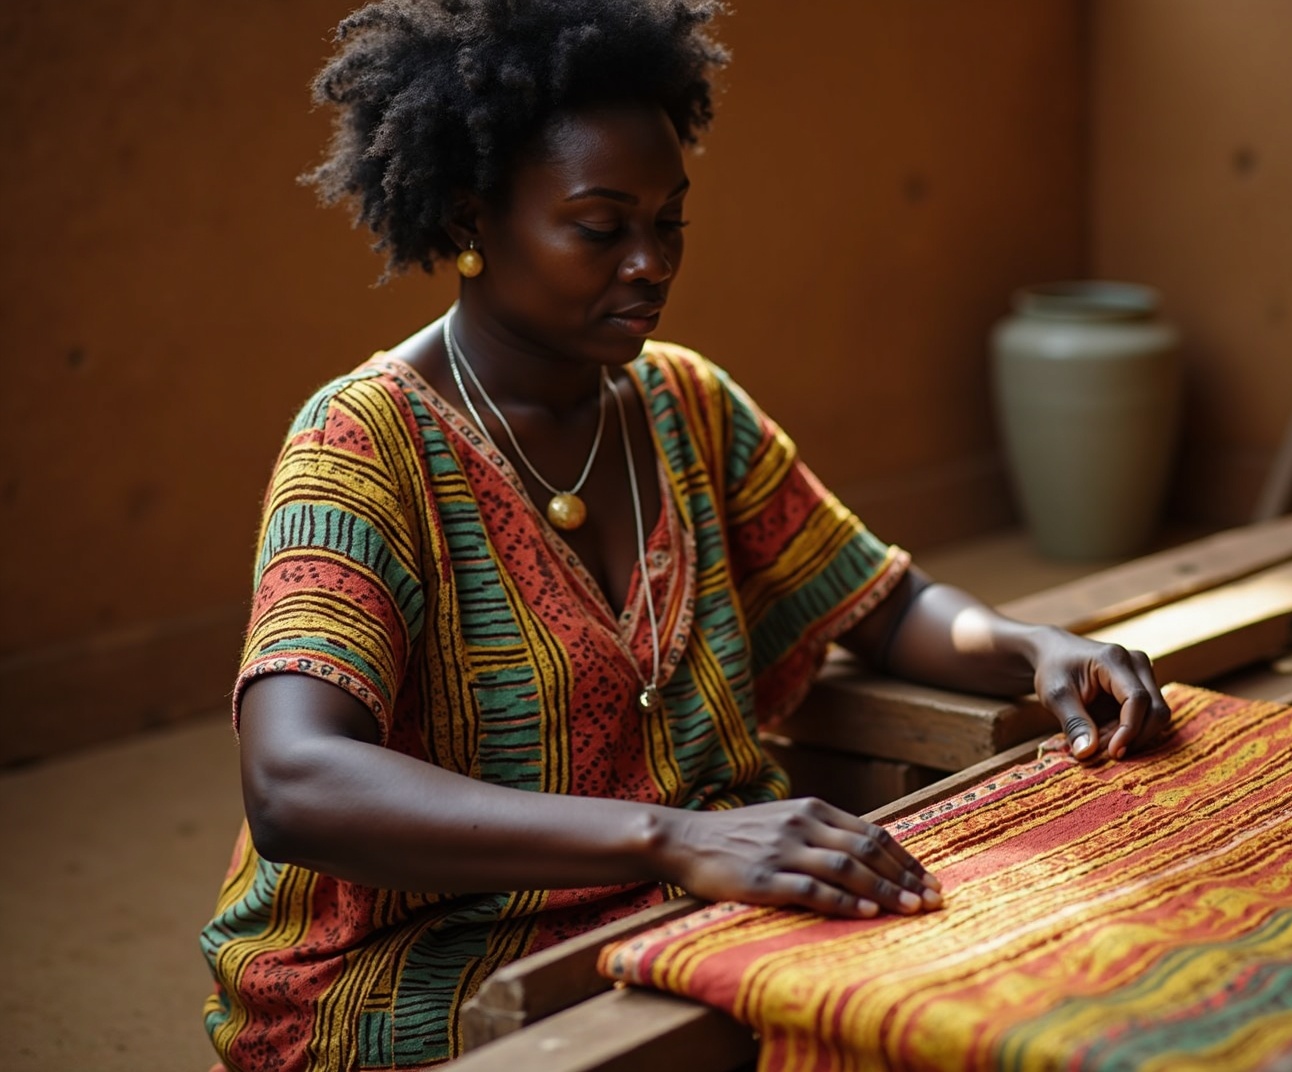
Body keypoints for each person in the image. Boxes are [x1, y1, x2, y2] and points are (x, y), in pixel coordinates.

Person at [200, 2, 1171, 1068]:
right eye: (601, 226)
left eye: (670, 222)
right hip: (429, 960)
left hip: (682, 901)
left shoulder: (682, 405)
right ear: (473, 219)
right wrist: (681, 835)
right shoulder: (361, 444)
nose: (651, 262)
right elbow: (295, 780)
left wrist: (1032, 646)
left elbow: (883, 602)